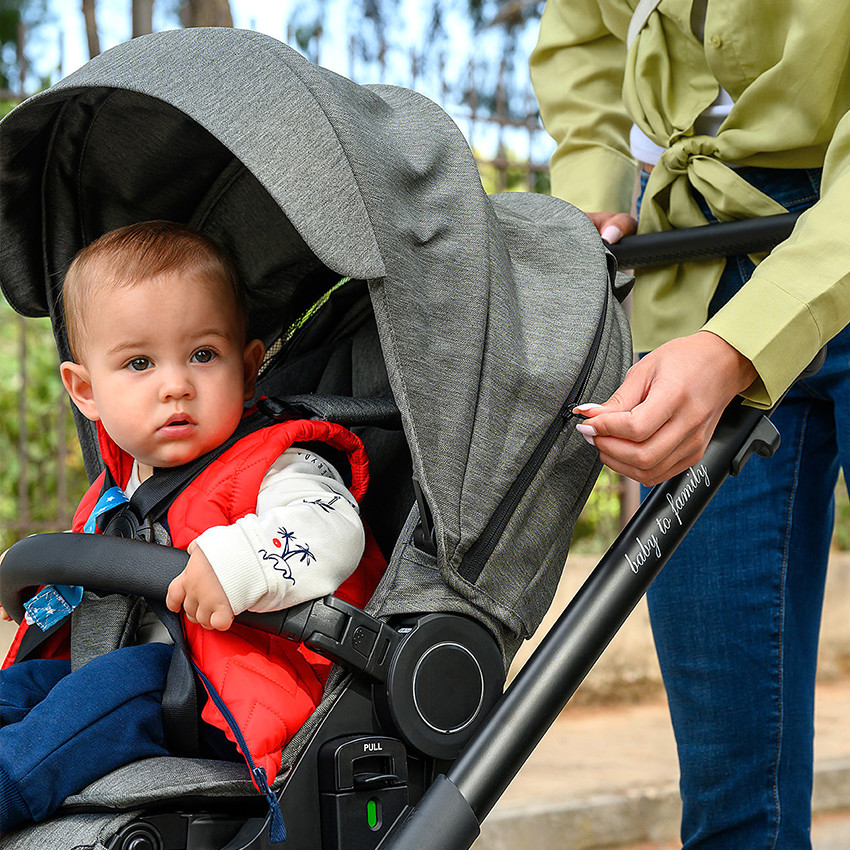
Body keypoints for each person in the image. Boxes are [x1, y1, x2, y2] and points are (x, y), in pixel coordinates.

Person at [531, 2, 850, 847]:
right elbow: (581, 33)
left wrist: (740, 345)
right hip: (692, 252)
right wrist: (591, 203)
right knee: (730, 793)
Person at [0, 221, 385, 835]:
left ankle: (6, 787)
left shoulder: (276, 463)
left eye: (203, 355)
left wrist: (240, 562)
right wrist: (43, 595)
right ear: (85, 390)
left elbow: (334, 530)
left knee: (109, 689)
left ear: (250, 367)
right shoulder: (118, 491)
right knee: (22, 687)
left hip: (227, 692)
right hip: (134, 670)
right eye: (139, 362)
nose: (176, 384)